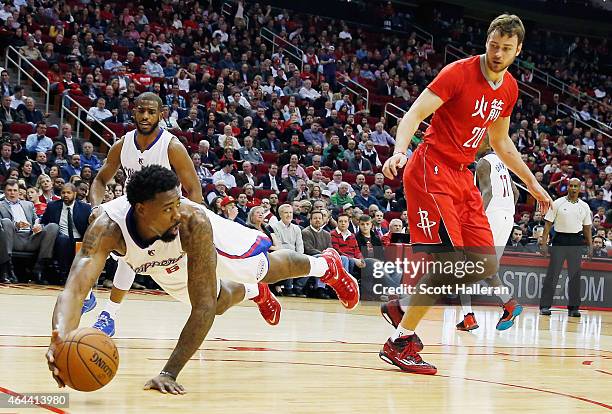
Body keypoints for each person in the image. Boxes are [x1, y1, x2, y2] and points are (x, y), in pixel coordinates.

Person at [46, 166, 359, 394]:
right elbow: (75, 289)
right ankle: (254, 293)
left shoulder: (190, 220)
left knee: (257, 267)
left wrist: (169, 372)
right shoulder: (105, 229)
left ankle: (324, 266)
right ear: (141, 209)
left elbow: (202, 307)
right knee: (221, 302)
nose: (177, 213)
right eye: (168, 208)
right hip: (159, 261)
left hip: (196, 241)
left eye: (177, 203)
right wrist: (59, 338)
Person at [378, 14, 552, 374]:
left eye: (506, 49)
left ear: (518, 50)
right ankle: (400, 342)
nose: (498, 53)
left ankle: (402, 306)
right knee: (445, 263)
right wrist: (399, 150)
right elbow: (413, 114)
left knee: (485, 264)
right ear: (486, 41)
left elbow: (501, 142)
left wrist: (532, 183)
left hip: (462, 176)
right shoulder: (458, 72)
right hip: (431, 169)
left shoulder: (509, 89)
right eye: (493, 45)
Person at [82, 92, 204, 335]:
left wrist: (190, 226)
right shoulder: (122, 144)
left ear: (162, 115)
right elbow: (100, 180)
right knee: (97, 221)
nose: (146, 116)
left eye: (151, 112)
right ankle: (93, 300)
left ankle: (255, 290)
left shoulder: (172, 147)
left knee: (211, 288)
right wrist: (95, 206)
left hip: (166, 212)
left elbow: (194, 190)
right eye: (141, 111)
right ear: (133, 111)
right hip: (133, 205)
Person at [454, 138, 522, 331]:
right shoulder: (500, 162)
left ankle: (471, 316)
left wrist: (476, 221)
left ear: (486, 144)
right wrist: (505, 212)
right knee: (488, 270)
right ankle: (507, 306)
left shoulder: (483, 163)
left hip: (491, 217)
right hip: (507, 217)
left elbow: (488, 192)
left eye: (478, 142)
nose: (473, 145)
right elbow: (515, 193)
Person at [539, 178, 592, 317]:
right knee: (553, 274)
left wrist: (590, 246)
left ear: (580, 188)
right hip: (560, 240)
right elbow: (548, 225)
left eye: (576, 186)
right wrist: (544, 243)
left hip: (576, 241)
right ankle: (545, 306)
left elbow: (587, 229)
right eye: (571, 186)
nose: (573, 188)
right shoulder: (558, 203)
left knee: (575, 276)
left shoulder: (584, 206)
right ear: (567, 187)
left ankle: (573, 308)